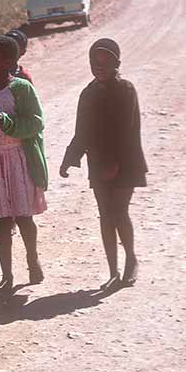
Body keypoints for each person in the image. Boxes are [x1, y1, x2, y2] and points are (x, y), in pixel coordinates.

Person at [61, 39, 146, 289]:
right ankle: (113, 271)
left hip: (126, 161)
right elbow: (82, 131)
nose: (99, 66)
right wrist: (70, 158)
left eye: (105, 61)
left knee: (119, 211)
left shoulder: (126, 90)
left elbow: (125, 131)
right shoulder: (88, 93)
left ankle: (131, 259)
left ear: (117, 63)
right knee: (105, 215)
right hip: (98, 163)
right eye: (94, 62)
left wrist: (115, 163)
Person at [0, 36, 47, 292]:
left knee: (24, 217)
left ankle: (32, 259)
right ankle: (7, 274)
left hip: (19, 159)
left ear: (9, 62)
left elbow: (36, 122)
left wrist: (8, 123)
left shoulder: (22, 88)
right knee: (2, 220)